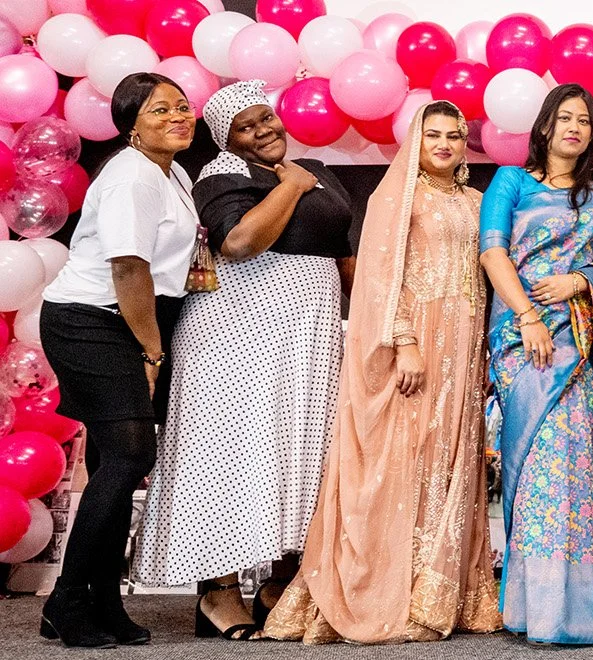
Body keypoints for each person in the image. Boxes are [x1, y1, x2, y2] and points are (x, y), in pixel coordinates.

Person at [260, 101, 503, 644]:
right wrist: (405, 342)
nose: (444, 144)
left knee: (451, 457)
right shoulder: (397, 196)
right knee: (400, 458)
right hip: (414, 340)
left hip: (464, 343)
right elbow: (376, 276)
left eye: (454, 135)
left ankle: (437, 593)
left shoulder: (477, 201)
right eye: (433, 134)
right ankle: (384, 592)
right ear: (416, 140)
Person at [129, 79, 355, 639]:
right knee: (231, 454)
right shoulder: (221, 176)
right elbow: (240, 243)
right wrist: (292, 186)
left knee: (301, 450)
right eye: (245, 127)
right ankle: (219, 592)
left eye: (267, 119)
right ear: (227, 140)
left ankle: (283, 582)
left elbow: (345, 252)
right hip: (237, 334)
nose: (264, 131)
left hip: (310, 334)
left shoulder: (319, 169)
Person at [36, 72, 200, 648]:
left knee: (112, 461)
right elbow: (128, 268)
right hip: (90, 320)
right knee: (132, 454)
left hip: (125, 319)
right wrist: (152, 350)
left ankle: (103, 601)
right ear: (131, 125)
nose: (179, 117)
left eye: (182, 107)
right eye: (160, 111)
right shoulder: (133, 176)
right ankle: (65, 599)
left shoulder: (171, 170)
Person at [480, 83, 593, 647]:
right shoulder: (510, 183)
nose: (574, 127)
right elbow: (493, 252)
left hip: (585, 348)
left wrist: (580, 281)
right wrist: (528, 316)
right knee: (535, 463)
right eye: (564, 118)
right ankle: (531, 606)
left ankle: (566, 610)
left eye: (584, 121)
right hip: (526, 343)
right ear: (544, 126)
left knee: (571, 468)